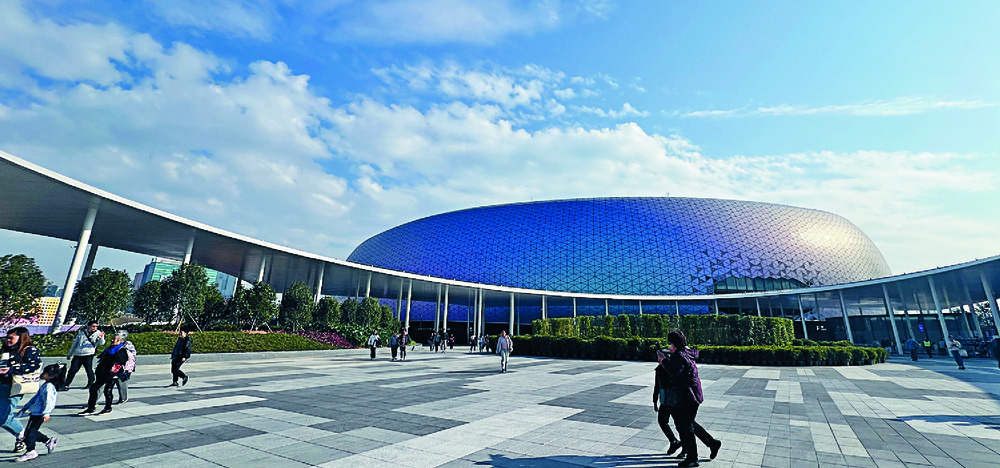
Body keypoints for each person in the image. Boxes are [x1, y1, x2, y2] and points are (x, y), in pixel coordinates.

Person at [664, 330, 721, 467]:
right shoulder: (688, 352)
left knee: (686, 426)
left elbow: (675, 374)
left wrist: (664, 361)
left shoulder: (679, 356)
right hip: (694, 393)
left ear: (674, 343)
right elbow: (691, 354)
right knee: (689, 423)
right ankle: (712, 443)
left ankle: (692, 458)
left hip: (688, 395)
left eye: (671, 343)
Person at [654, 349, 719, 460]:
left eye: (660, 357)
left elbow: (678, 381)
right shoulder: (660, 368)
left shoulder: (671, 368)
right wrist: (655, 401)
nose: (658, 359)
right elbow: (657, 386)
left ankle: (691, 448)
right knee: (671, 422)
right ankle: (676, 442)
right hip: (666, 401)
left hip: (676, 401)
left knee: (685, 426)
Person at [0, 327, 42, 453]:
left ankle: (22, 436)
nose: (7, 340)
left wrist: (12, 370)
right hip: (2, 384)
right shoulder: (7, 349)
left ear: (21, 337)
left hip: (13, 388)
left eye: (11, 338)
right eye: (6, 337)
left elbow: (34, 366)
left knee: (3, 418)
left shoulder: (29, 350)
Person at [13, 363, 64, 462]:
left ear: (52, 376)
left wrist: (46, 413)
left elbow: (49, 401)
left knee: (29, 433)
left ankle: (31, 451)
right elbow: (36, 398)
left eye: (45, 372)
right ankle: (48, 441)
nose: (42, 374)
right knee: (31, 432)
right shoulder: (46, 385)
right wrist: (25, 408)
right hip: (36, 412)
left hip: (39, 413)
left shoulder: (49, 387)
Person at [79, 331, 129, 416]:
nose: (113, 340)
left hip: (112, 374)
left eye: (115, 339)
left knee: (107, 391)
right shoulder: (110, 348)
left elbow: (120, 362)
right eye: (113, 339)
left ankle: (107, 408)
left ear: (121, 340)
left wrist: (114, 371)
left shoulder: (121, 350)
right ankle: (91, 408)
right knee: (94, 389)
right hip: (103, 373)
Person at [62, 321, 105, 391]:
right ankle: (66, 384)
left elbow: (102, 343)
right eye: (93, 326)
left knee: (88, 369)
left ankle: (91, 382)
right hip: (78, 354)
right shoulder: (81, 334)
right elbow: (75, 344)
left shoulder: (98, 333)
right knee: (73, 370)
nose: (95, 328)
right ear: (88, 326)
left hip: (88, 354)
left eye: (96, 326)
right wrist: (70, 354)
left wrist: (101, 338)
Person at [115, 336, 136, 404]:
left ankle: (123, 398)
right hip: (117, 367)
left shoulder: (127, 345)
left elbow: (133, 353)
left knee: (122, 382)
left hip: (126, 367)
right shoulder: (115, 345)